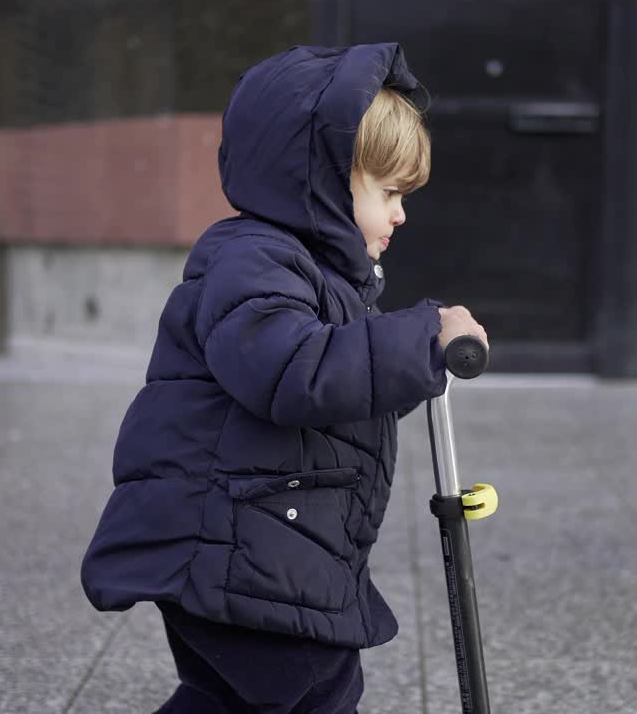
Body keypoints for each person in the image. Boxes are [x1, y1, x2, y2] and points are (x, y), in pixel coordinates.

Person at [80, 43, 488, 713]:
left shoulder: (321, 274)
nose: (400, 214)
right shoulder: (254, 261)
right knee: (318, 692)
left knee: (239, 701)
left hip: (264, 544)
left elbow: (341, 395)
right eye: (387, 193)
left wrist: (422, 356)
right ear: (321, 178)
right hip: (230, 548)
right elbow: (292, 369)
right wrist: (418, 339)